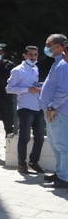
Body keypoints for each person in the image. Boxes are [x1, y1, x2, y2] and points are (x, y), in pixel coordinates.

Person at [6, 46, 46, 174]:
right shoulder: (17, 70)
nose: (33, 57)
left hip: (37, 106)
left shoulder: (35, 68)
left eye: (35, 55)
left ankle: (33, 161)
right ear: (25, 55)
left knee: (40, 137)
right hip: (25, 107)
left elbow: (33, 85)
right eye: (30, 55)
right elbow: (9, 89)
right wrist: (27, 89)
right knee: (25, 137)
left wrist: (39, 86)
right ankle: (21, 164)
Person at [40, 34, 68, 186]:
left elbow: (64, 89)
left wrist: (52, 107)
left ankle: (65, 178)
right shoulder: (58, 62)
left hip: (59, 111)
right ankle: (60, 173)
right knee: (55, 145)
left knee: (62, 145)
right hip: (54, 111)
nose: (46, 48)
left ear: (58, 46)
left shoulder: (63, 64)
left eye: (48, 45)